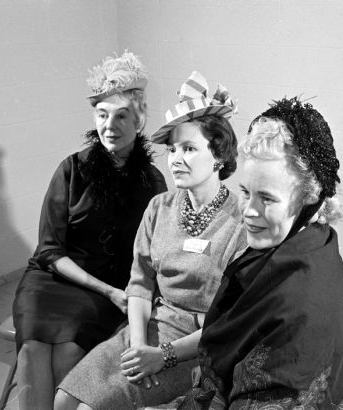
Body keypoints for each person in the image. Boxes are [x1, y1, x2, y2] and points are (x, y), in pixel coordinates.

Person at [54, 71, 248, 410]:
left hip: (200, 347)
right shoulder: (159, 207)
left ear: (218, 155)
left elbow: (231, 321)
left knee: (90, 409)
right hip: (149, 327)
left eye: (189, 148)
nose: (175, 158)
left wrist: (162, 357)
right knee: (64, 401)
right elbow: (140, 284)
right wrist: (139, 347)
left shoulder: (239, 225)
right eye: (172, 149)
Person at [178, 97, 343, 409]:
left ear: (308, 198)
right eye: (245, 192)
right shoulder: (316, 241)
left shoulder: (298, 309)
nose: (248, 211)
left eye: (266, 198)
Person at [12, 51, 167, 410]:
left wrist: (124, 293)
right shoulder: (71, 169)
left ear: (140, 119)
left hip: (110, 289)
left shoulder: (153, 182)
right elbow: (49, 250)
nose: (109, 126)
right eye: (102, 115)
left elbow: (153, 252)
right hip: (52, 281)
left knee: (67, 352)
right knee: (32, 348)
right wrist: (108, 291)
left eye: (121, 115)